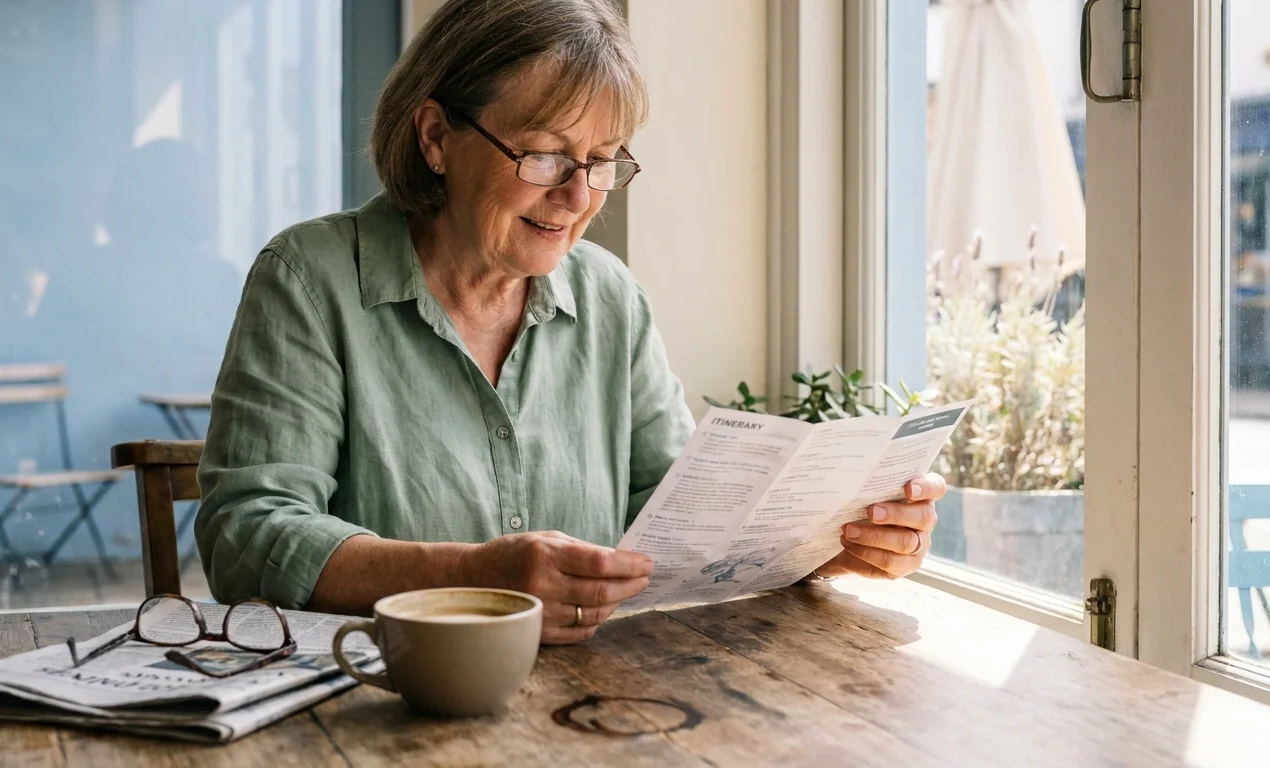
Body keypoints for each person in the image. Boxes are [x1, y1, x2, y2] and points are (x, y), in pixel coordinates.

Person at [197, 0, 944, 645]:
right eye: (547, 157)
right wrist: (473, 577)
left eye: (603, 161)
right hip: (373, 707)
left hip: (592, 704)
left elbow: (671, 523)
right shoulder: (310, 277)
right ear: (434, 138)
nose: (580, 196)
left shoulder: (612, 299)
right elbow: (248, 536)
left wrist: (826, 544)